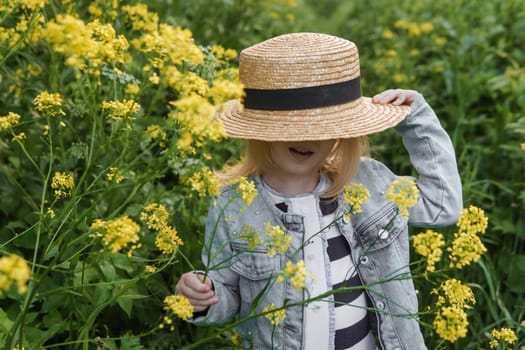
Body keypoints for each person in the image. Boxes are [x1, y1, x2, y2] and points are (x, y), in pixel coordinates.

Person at [175, 32, 462, 350]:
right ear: (259, 131)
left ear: (343, 132)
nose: (307, 138)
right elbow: (230, 296)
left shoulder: (367, 181)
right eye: (290, 126)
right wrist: (202, 296)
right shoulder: (234, 204)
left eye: (323, 127)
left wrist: (417, 120)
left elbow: (442, 205)